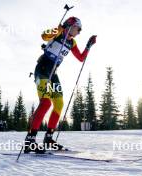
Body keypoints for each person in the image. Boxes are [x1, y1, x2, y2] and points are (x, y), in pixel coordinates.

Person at [24, 17, 97, 153]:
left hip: (53, 73)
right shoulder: (59, 32)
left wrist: (88, 45)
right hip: (43, 70)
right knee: (46, 103)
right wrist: (56, 30)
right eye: (78, 29)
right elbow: (44, 36)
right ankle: (30, 141)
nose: (79, 32)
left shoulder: (72, 42)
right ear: (71, 25)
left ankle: (49, 138)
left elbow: (81, 58)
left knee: (58, 103)